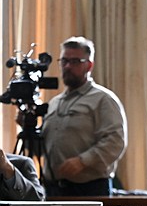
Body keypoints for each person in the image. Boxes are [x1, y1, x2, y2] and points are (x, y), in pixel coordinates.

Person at [40, 36, 127, 197]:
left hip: (89, 189)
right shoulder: (54, 103)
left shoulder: (103, 99)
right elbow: (45, 146)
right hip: (53, 190)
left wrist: (83, 161)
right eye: (64, 61)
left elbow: (115, 141)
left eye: (74, 62)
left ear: (89, 65)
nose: (67, 66)